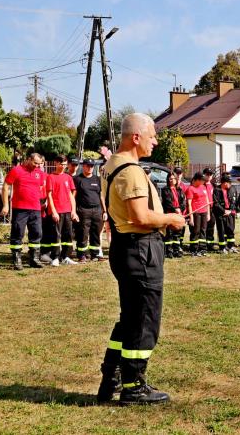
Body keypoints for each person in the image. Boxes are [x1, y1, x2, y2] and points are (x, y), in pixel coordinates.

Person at [96, 113, 185, 405]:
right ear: (136, 137)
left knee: (130, 317)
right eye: (152, 136)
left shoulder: (111, 164)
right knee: (144, 320)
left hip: (125, 248)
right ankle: (134, 385)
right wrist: (171, 219)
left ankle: (112, 376)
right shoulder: (131, 170)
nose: (155, 141)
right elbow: (140, 217)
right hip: (140, 249)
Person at [2, 153, 47, 270]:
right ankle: (17, 260)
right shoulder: (16, 170)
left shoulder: (40, 173)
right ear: (28, 159)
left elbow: (41, 187)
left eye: (39, 164)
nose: (37, 166)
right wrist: (6, 205)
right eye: (35, 163)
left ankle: (34, 259)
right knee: (17, 233)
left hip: (35, 209)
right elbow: (5, 186)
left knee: (37, 233)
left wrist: (43, 201)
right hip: (20, 209)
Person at [41, 155, 79, 266]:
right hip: (56, 212)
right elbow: (49, 195)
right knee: (56, 235)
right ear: (56, 163)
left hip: (67, 211)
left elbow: (71, 195)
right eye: (61, 164)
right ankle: (55, 257)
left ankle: (65, 257)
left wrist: (73, 211)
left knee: (68, 235)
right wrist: (53, 211)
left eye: (65, 164)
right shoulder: (50, 177)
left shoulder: (68, 177)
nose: (63, 166)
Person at [74, 159, 105, 263]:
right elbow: (73, 196)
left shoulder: (97, 179)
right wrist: (74, 211)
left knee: (96, 232)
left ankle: (95, 254)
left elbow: (101, 195)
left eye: (92, 166)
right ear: (83, 166)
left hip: (97, 210)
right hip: (83, 210)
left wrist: (104, 210)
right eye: (88, 166)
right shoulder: (77, 179)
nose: (90, 168)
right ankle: (82, 255)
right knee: (83, 233)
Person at [160, 173, 186, 258]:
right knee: (169, 233)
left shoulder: (179, 189)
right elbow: (167, 202)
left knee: (177, 233)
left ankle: (176, 250)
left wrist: (180, 209)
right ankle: (169, 251)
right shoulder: (165, 190)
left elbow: (183, 201)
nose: (172, 180)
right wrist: (175, 209)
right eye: (170, 179)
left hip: (178, 214)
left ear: (176, 179)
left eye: (173, 178)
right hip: (169, 213)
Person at [184, 172, 210, 257]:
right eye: (202, 180)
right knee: (195, 231)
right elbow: (189, 204)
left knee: (203, 230)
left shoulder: (203, 187)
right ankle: (194, 249)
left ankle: (202, 249)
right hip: (196, 213)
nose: (204, 182)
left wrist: (208, 213)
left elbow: (207, 200)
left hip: (204, 212)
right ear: (197, 180)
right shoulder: (190, 189)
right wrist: (191, 217)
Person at [213, 174, 239, 254]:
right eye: (229, 183)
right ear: (224, 183)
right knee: (221, 231)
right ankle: (222, 248)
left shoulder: (230, 189)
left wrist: (230, 211)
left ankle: (230, 246)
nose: (230, 184)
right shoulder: (217, 190)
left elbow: (233, 202)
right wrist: (224, 211)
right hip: (220, 214)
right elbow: (216, 203)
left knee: (230, 230)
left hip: (229, 213)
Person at [203, 168, 217, 252]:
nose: (208, 176)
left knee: (211, 227)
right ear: (204, 175)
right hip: (203, 209)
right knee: (203, 227)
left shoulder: (214, 186)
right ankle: (203, 245)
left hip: (212, 209)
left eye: (210, 174)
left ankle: (210, 245)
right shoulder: (201, 185)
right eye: (207, 174)